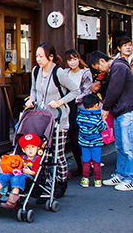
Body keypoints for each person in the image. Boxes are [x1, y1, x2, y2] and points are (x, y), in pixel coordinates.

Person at [26, 43, 80, 198]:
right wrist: (32, 100)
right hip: (40, 120)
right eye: (36, 56)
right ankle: (46, 183)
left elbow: (75, 90)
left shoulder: (59, 72)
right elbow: (34, 89)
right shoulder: (36, 71)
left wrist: (60, 102)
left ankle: (61, 182)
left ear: (50, 57)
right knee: (43, 154)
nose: (38, 59)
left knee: (57, 153)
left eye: (41, 56)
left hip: (58, 120)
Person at [88, 50, 133, 191]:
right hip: (122, 111)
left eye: (98, 68)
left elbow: (114, 89)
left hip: (127, 110)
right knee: (122, 146)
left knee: (129, 146)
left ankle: (132, 179)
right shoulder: (118, 66)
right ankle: (122, 174)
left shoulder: (118, 67)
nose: (100, 71)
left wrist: (105, 107)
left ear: (102, 61)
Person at [0, 133, 42, 210]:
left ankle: (12, 202)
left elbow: (37, 173)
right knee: (4, 176)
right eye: (27, 147)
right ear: (23, 150)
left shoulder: (37, 159)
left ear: (38, 148)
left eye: (33, 147)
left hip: (28, 176)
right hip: (17, 172)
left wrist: (30, 172)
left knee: (16, 179)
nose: (30, 150)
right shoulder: (21, 157)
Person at [64, 49, 93, 172]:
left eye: (75, 59)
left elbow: (87, 91)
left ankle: (88, 165)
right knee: (72, 139)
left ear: (79, 59)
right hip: (67, 108)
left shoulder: (85, 73)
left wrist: (72, 98)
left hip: (80, 108)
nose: (72, 62)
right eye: (70, 60)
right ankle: (80, 166)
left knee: (80, 140)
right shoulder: (65, 73)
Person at [76, 93, 106, 188]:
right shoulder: (97, 119)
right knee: (96, 163)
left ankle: (85, 180)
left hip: (84, 143)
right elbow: (103, 128)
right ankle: (97, 180)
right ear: (97, 105)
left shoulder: (80, 117)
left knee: (86, 162)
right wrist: (103, 120)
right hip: (96, 143)